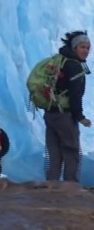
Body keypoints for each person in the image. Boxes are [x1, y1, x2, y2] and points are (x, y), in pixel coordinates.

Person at [44, 31, 92, 183]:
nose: (86, 50)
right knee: (71, 151)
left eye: (88, 47)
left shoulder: (60, 61)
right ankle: (70, 188)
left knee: (54, 152)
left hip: (50, 113)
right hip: (64, 115)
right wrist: (80, 117)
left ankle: (51, 186)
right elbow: (75, 96)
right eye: (82, 47)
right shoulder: (74, 66)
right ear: (74, 48)